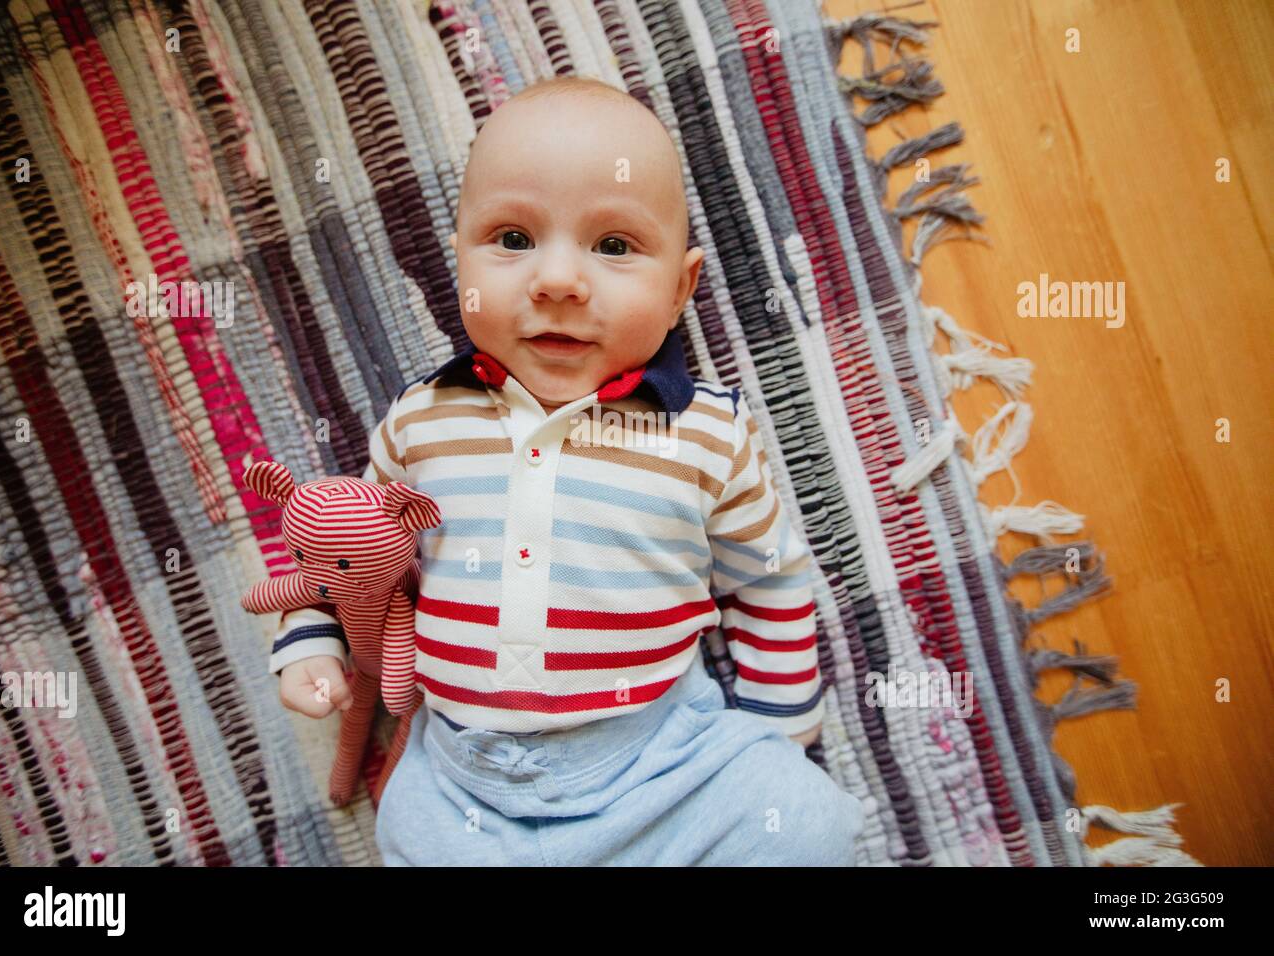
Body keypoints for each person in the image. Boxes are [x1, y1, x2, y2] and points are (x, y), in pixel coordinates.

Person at [269, 75, 865, 866]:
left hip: (665, 767)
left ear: (682, 287)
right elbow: (344, 551)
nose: (555, 280)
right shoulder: (423, 420)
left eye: (613, 246)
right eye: (513, 240)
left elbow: (771, 578)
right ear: (459, 264)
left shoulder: (705, 433)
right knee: (407, 827)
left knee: (810, 820)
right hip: (465, 786)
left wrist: (781, 733)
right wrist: (309, 641)